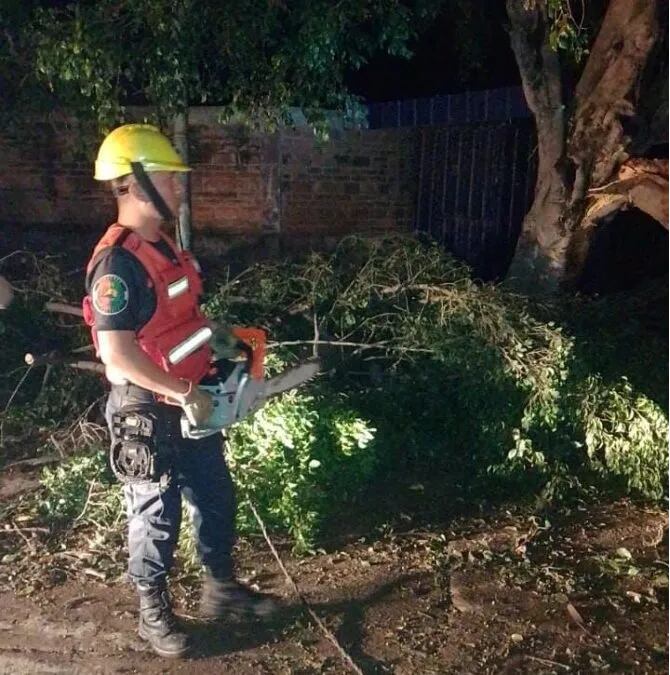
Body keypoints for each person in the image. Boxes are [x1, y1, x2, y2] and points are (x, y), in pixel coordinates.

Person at [83, 124, 275, 659]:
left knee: (215, 495)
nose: (177, 187)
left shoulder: (164, 245)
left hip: (189, 394)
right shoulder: (116, 265)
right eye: (168, 178)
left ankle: (221, 590)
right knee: (154, 511)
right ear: (135, 182)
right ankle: (153, 613)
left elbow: (183, 321)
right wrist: (183, 390)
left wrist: (229, 343)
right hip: (148, 406)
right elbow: (118, 354)